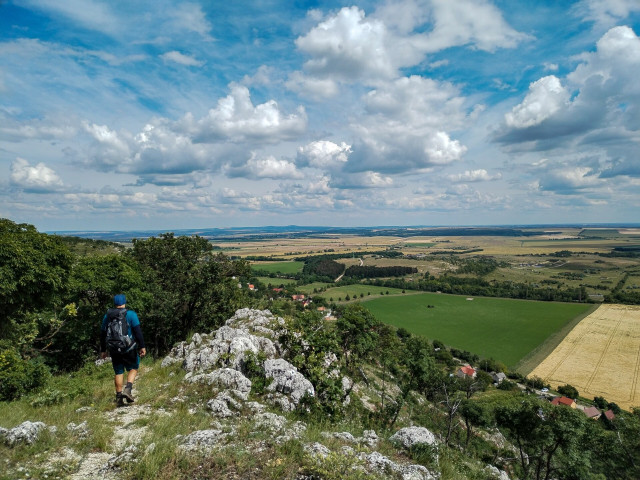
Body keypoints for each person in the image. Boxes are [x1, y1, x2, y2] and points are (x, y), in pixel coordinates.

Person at [100, 294, 146, 407]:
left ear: (115, 304)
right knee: (134, 367)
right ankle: (128, 389)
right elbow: (138, 332)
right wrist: (142, 346)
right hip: (128, 348)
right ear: (124, 302)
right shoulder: (131, 314)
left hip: (114, 348)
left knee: (118, 371)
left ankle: (119, 398)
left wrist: (103, 350)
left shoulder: (108, 316)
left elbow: (102, 333)